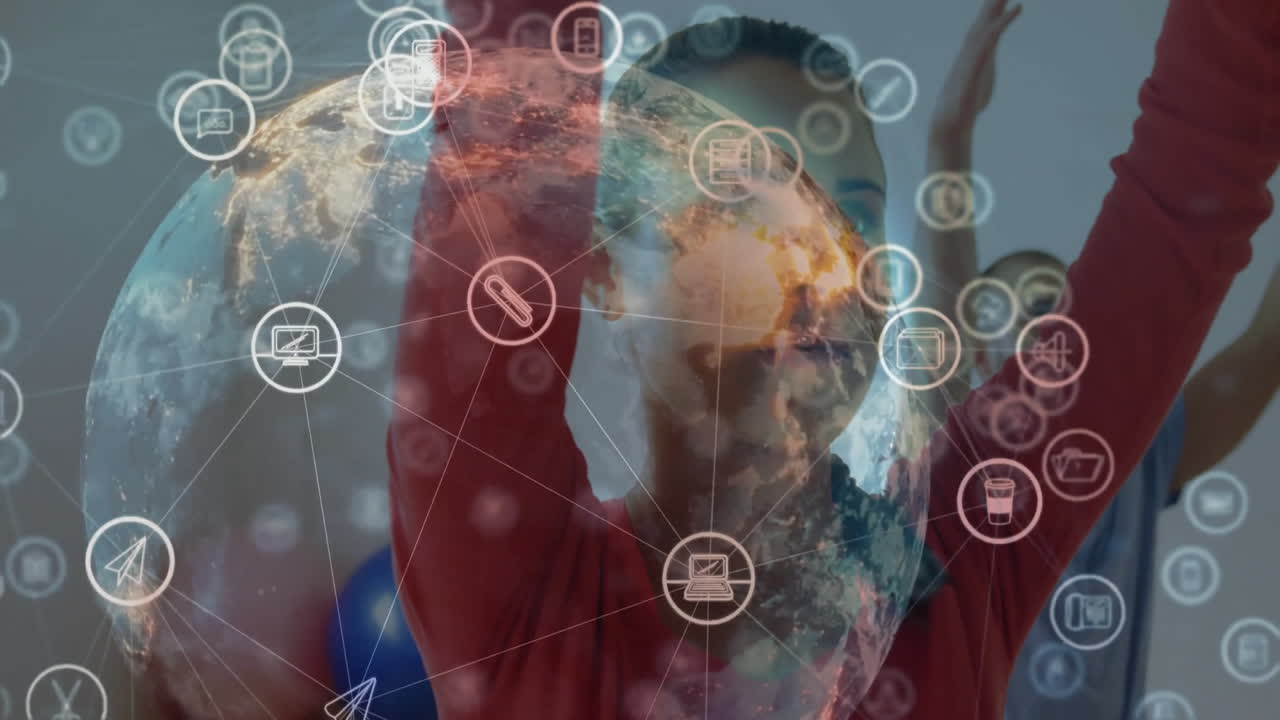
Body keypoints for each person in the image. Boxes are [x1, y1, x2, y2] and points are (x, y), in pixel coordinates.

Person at [386, 1, 1279, 719]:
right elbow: (512, 102)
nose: (827, 262)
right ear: (612, 273)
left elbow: (1192, 181)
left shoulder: (963, 555)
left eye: (855, 215)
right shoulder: (519, 593)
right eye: (742, 206)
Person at [987, 254, 1280, 720]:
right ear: (977, 353)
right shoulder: (940, 472)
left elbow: (1268, 344)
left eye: (1058, 311)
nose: (1043, 330)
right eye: (1011, 313)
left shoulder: (1139, 456)